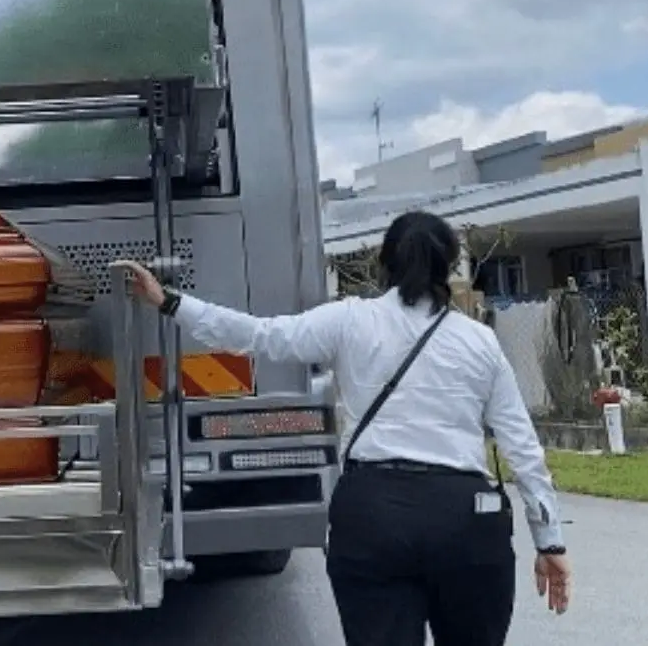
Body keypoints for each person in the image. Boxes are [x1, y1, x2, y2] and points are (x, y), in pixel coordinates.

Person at [115, 210, 570, 646]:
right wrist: (550, 541)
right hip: (464, 520)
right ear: (448, 266)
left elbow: (258, 335)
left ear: (385, 264)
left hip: (372, 514)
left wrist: (168, 301)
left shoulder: (350, 320)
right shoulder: (479, 341)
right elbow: (522, 447)